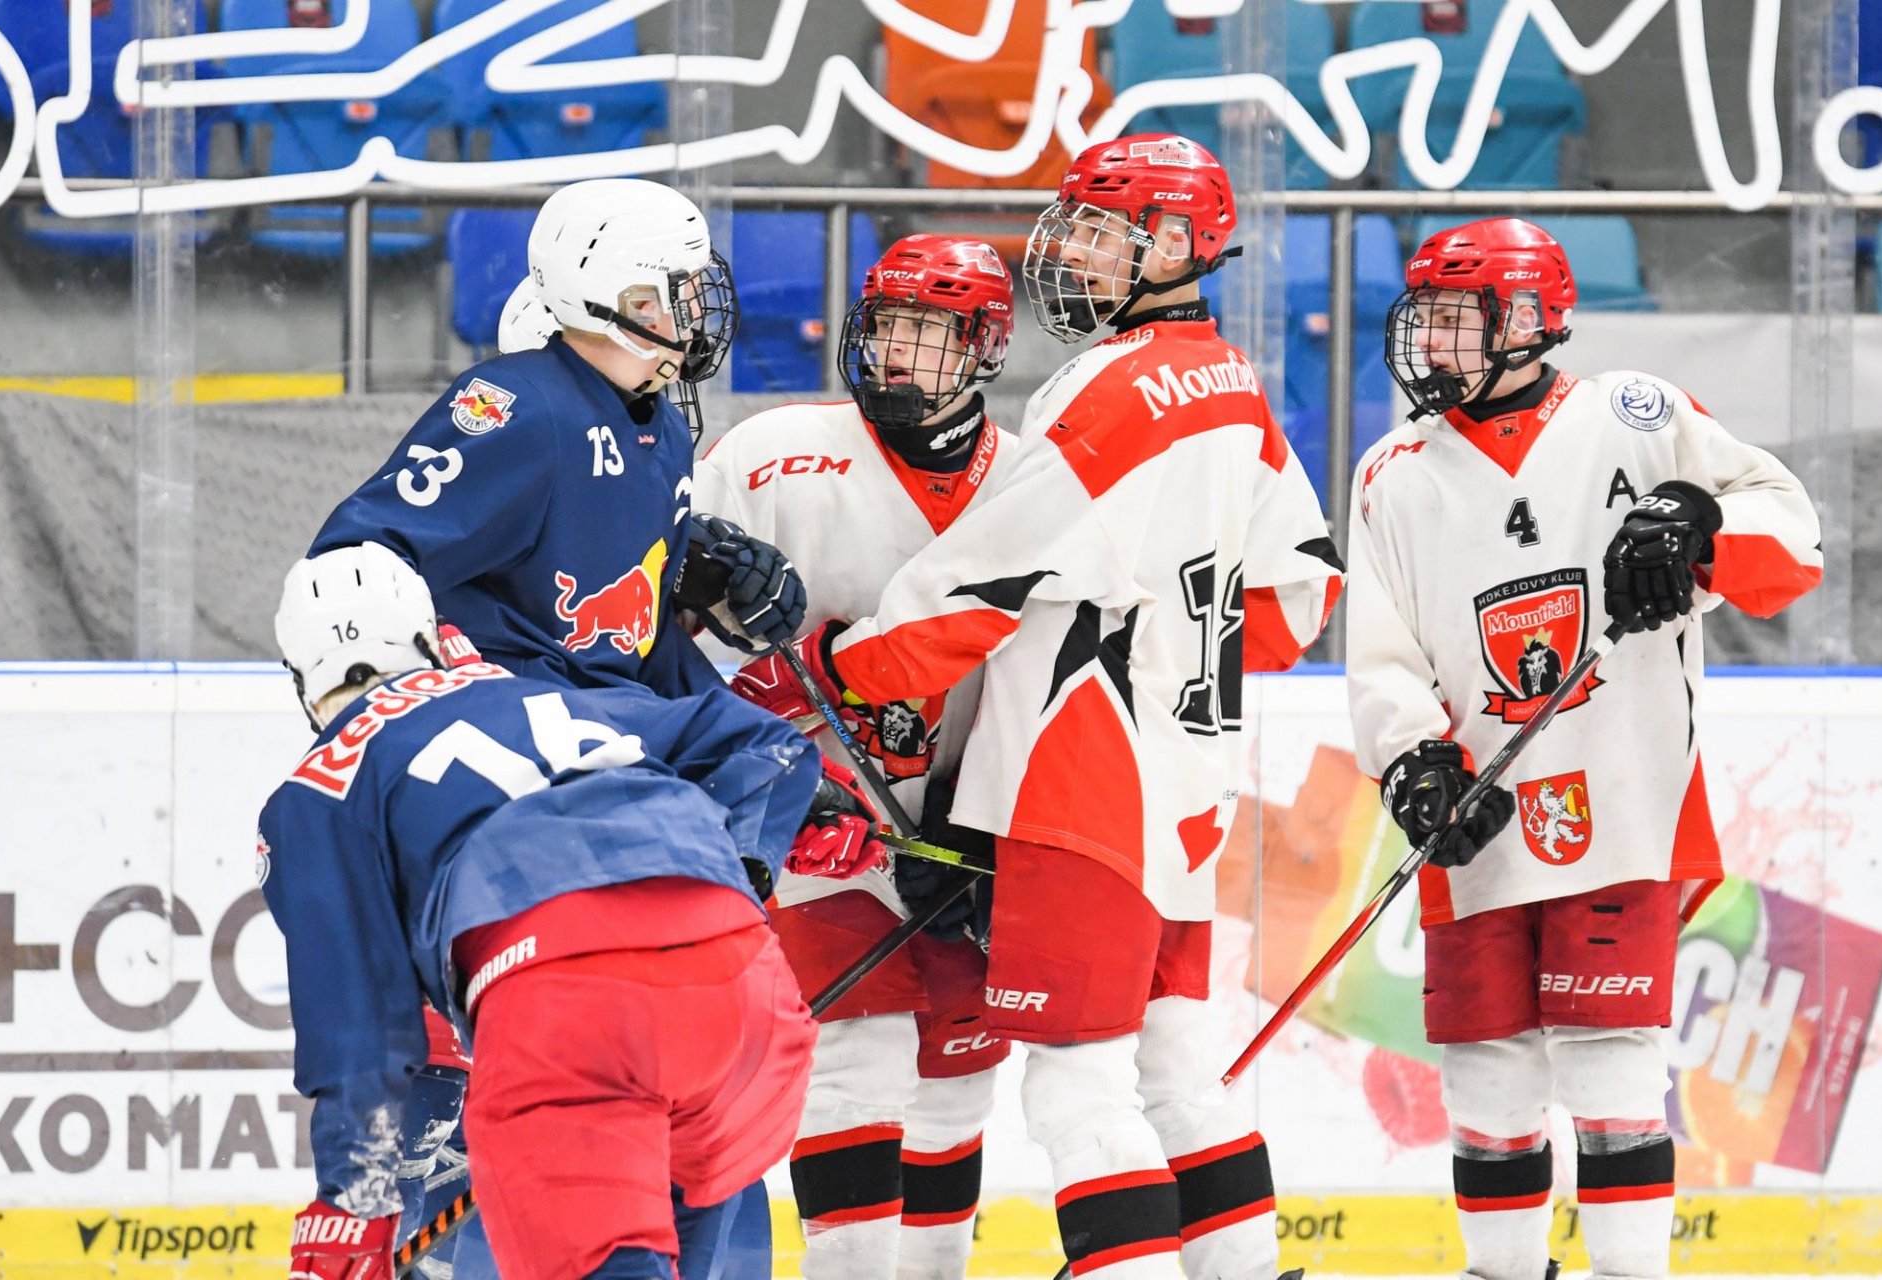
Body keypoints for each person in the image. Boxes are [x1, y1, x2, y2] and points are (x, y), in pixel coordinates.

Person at [734, 134, 1343, 1280]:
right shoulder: (1233, 382)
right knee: (1178, 1060)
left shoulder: (1114, 388)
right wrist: (1167, 645)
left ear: (1177, 243)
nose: (1074, 254)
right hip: (1186, 785)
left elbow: (985, 582)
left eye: (1104, 236)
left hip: (1081, 786)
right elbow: (1294, 599)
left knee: (1077, 1083)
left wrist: (844, 665)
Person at [1346, 217, 1823, 1280]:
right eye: (1426, 317)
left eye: (1458, 319)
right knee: (1485, 1072)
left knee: (1613, 1064)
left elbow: (1792, 532)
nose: (1432, 342)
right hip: (1480, 819)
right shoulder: (1391, 471)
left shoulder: (1634, 415)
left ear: (1528, 319)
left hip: (1623, 798)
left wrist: (1696, 522)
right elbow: (1380, 653)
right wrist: (1414, 759)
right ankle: (1502, 1271)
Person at [257, 543, 886, 1280]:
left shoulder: (316, 793)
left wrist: (354, 1203)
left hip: (568, 1015)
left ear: (303, 684)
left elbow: (358, 1025)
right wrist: (747, 857)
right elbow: (765, 747)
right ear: (431, 640)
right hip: (747, 1000)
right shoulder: (545, 697)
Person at [699, 234, 1019, 1280]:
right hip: (815, 824)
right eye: (888, 327)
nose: (898, 353)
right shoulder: (772, 456)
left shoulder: (1031, 482)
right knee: (851, 1063)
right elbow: (670, 641)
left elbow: (1054, 683)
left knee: (957, 1081)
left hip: (969, 834)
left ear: (984, 348)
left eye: (929, 333)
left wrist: (989, 828)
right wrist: (786, 786)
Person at [310, 178, 805, 702]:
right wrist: (440, 675)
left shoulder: (666, 429)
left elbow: (643, 645)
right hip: (543, 716)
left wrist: (691, 572)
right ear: (632, 306)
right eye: (684, 294)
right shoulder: (526, 406)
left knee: (779, 753)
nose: (699, 313)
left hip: (617, 707)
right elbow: (358, 556)